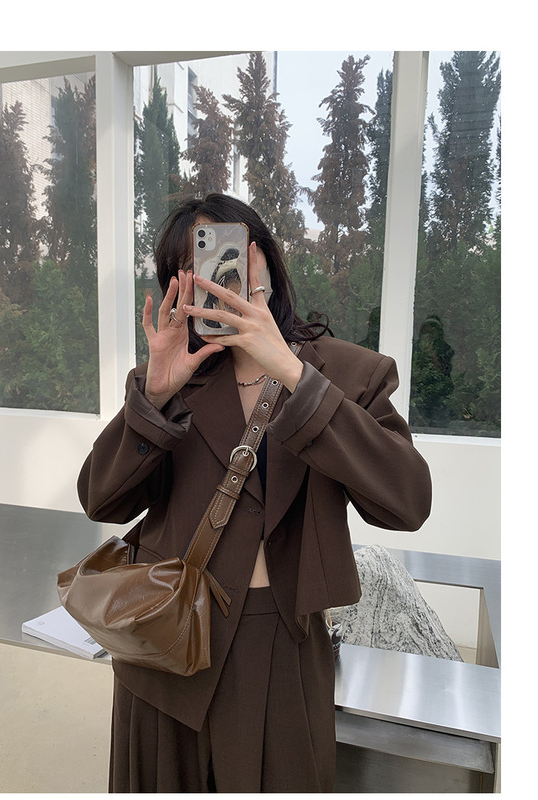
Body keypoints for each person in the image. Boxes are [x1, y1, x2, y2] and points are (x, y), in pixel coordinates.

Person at [77, 193, 432, 793]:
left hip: (282, 644)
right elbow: (100, 499)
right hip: (167, 640)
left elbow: (408, 501)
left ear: (264, 256)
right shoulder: (172, 375)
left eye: (233, 252)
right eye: (193, 263)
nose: (218, 274)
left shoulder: (347, 374)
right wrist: (153, 399)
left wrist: (294, 374)